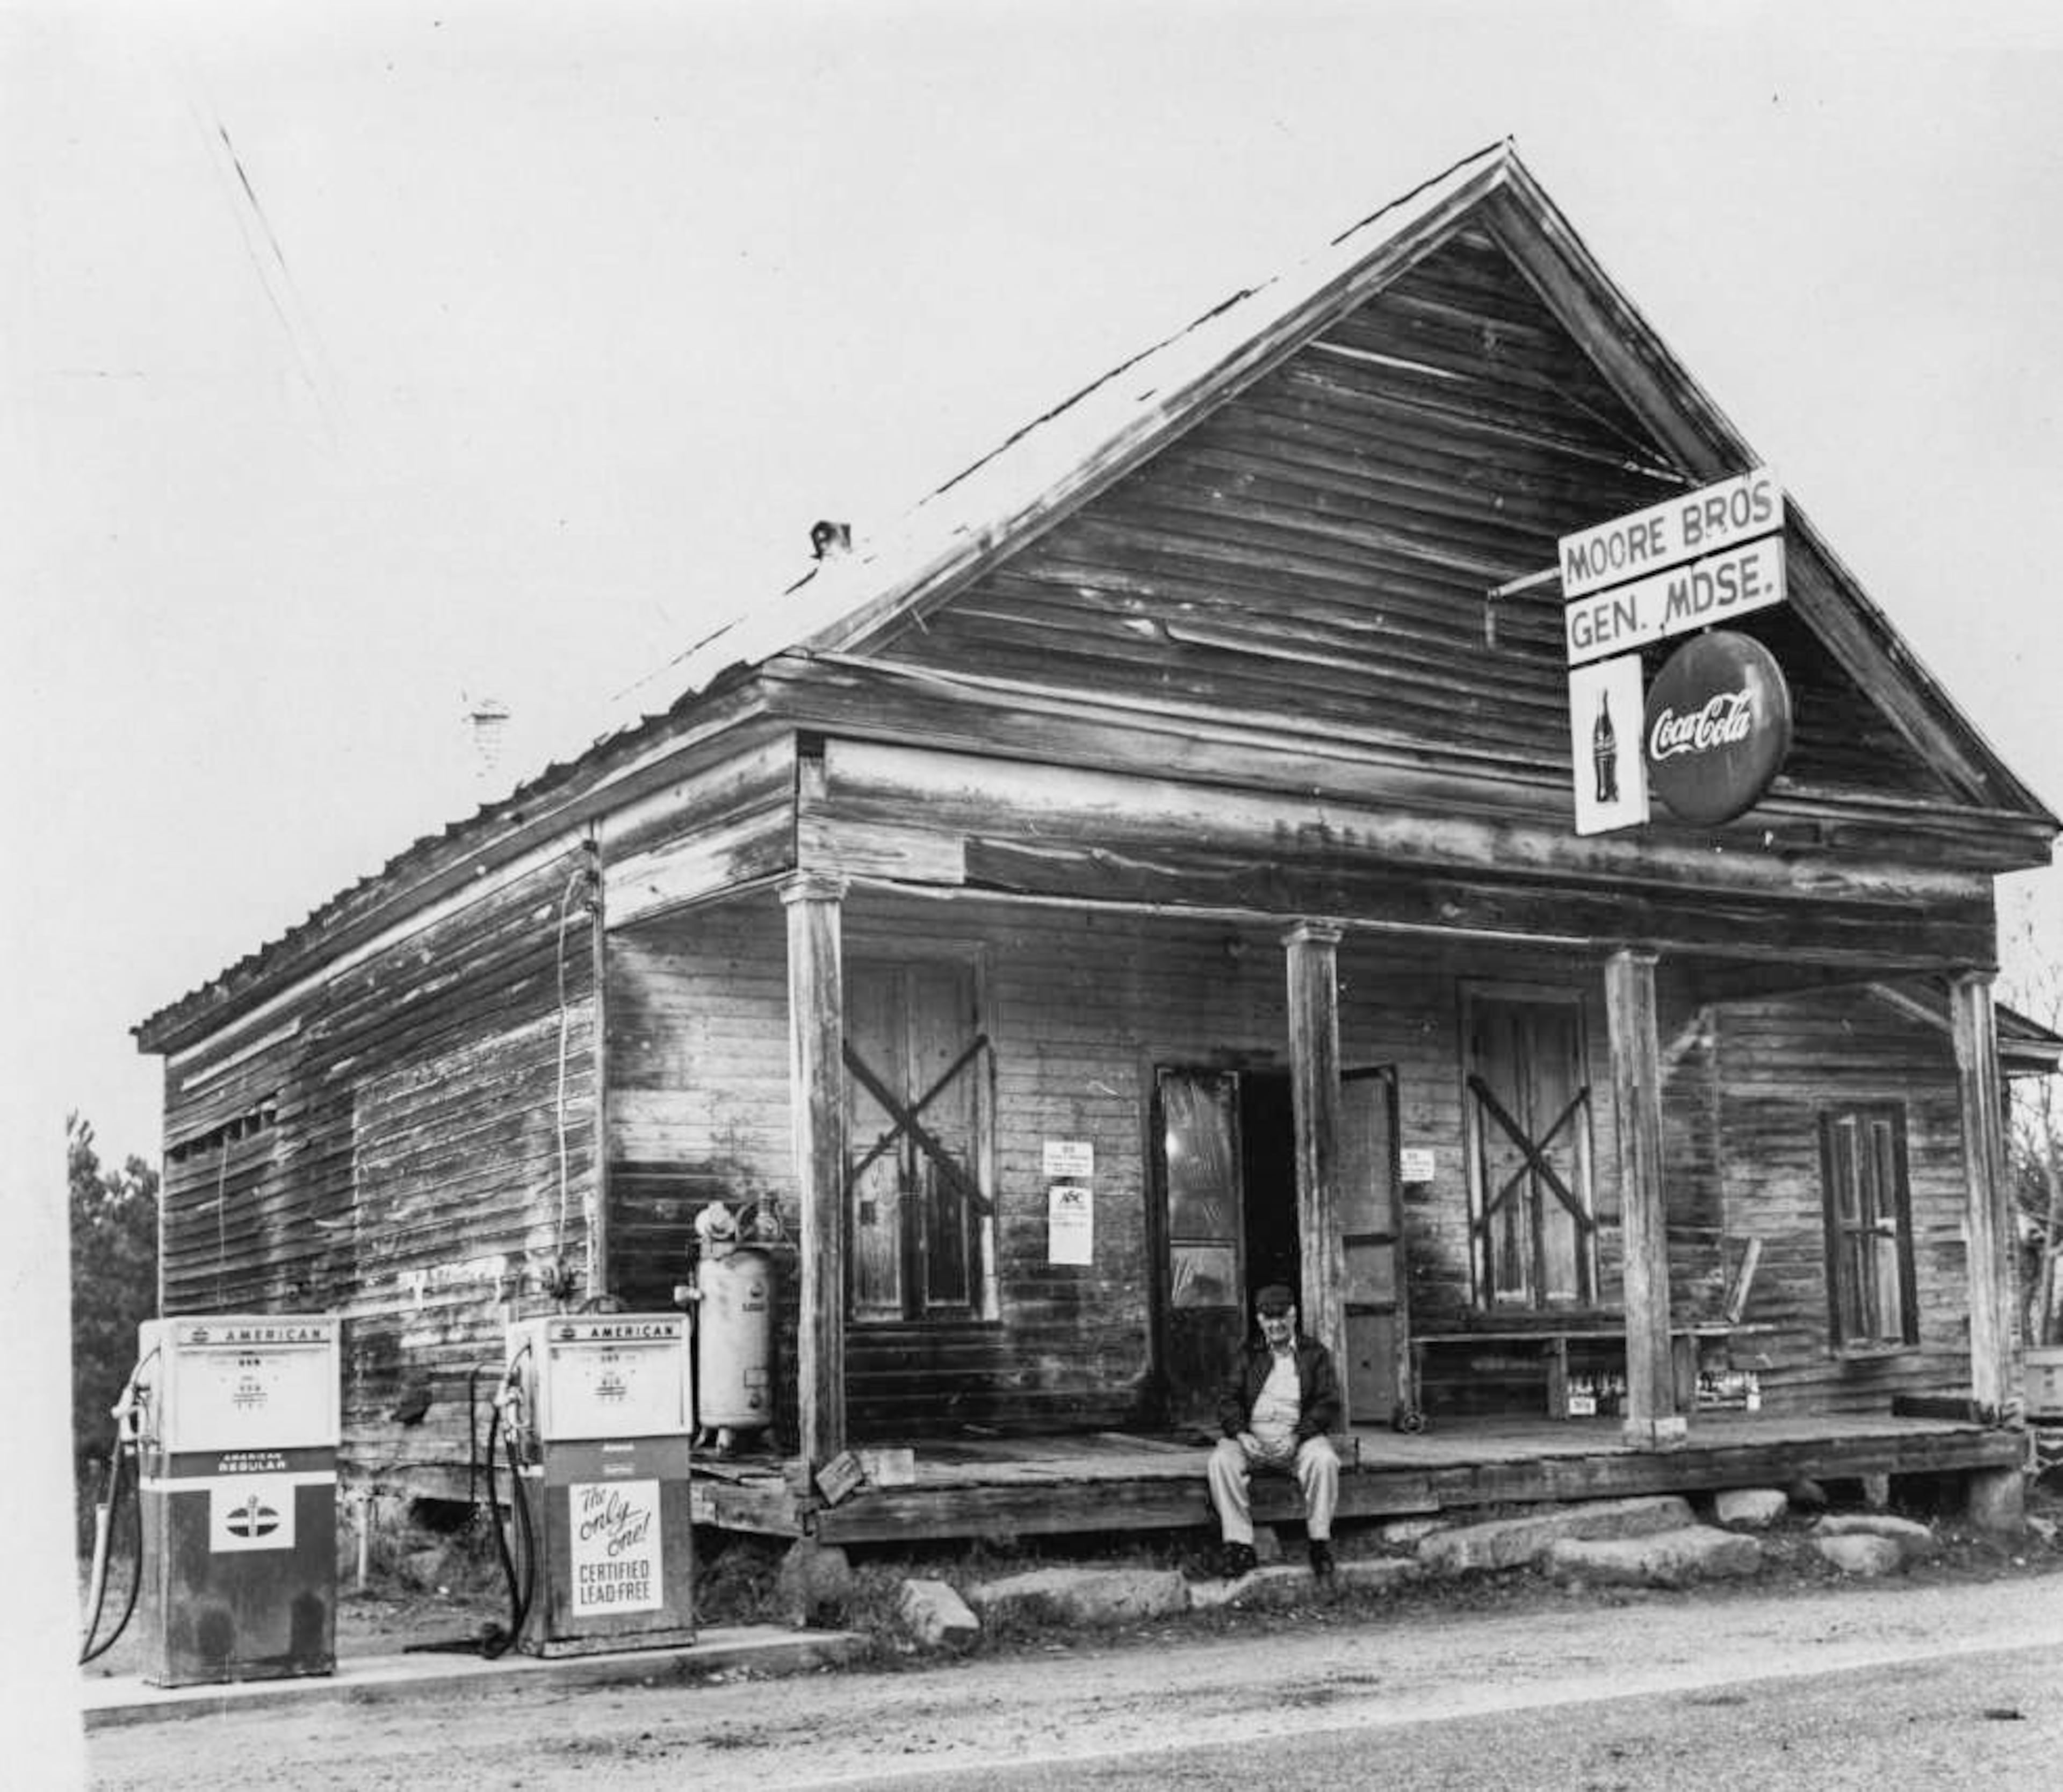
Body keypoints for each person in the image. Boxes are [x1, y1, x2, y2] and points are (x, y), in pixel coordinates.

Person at [1208, 1283, 1342, 1579]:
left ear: (1293, 1315)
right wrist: (1242, 1434)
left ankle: (1319, 1543)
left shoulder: (1314, 1354)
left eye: (1282, 1316)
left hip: (1298, 1437)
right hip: (1252, 1438)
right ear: (1259, 1320)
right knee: (1221, 1462)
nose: (1276, 1324)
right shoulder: (1247, 1354)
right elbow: (1227, 1399)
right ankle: (1240, 1545)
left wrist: (1298, 1436)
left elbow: (1328, 1402)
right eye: (1268, 1318)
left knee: (1325, 1460)